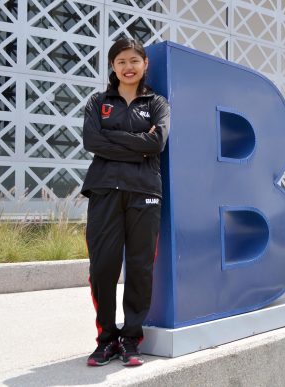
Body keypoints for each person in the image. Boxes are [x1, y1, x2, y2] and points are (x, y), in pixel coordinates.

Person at [81, 38, 170, 367]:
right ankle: (106, 339)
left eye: (134, 60)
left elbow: (157, 141)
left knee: (140, 267)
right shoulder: (97, 101)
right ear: (113, 67)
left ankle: (131, 340)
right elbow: (91, 140)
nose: (128, 67)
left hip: (145, 191)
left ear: (145, 64)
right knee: (103, 267)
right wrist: (138, 143)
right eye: (121, 61)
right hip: (104, 190)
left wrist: (111, 138)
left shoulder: (158, 104)